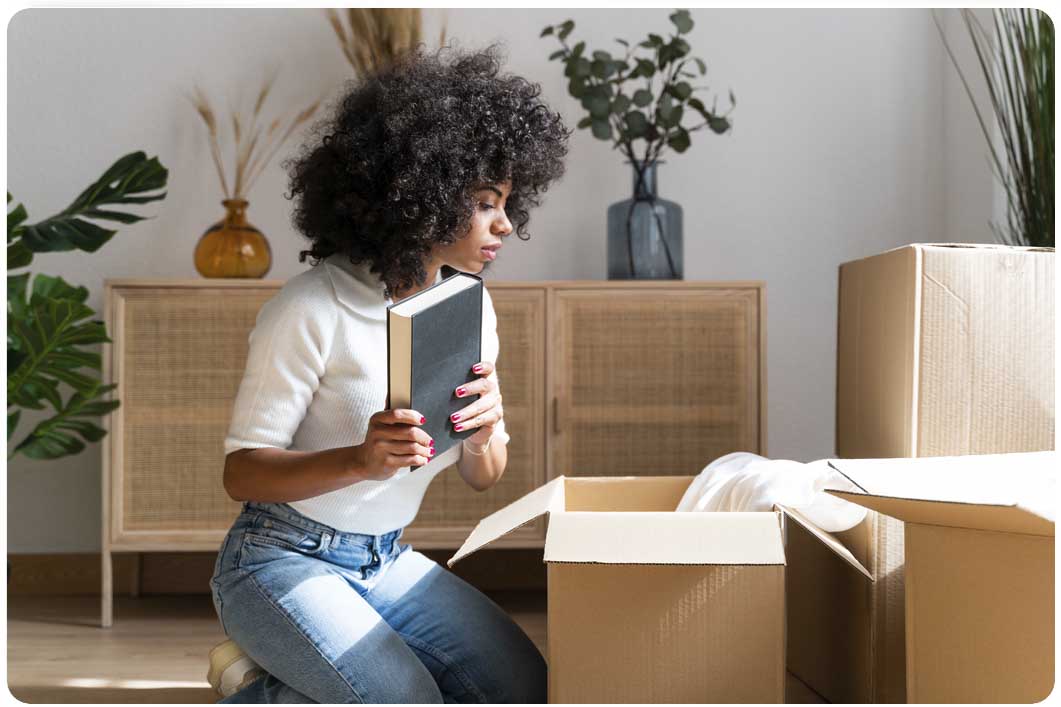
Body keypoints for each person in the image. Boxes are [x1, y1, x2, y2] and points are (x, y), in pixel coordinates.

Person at [208, 42, 570, 703]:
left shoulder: (465, 304)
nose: (505, 225)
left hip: (383, 557)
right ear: (421, 193)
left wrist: (486, 431)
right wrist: (359, 459)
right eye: (487, 202)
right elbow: (242, 473)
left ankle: (302, 676)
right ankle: (257, 687)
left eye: (509, 203)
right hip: (278, 558)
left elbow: (482, 477)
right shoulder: (311, 307)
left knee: (526, 687)